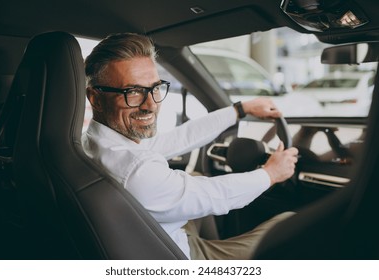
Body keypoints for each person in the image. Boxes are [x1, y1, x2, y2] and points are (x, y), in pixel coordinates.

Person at [82, 33, 299, 259]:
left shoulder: (91, 143)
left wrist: (238, 110)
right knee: (292, 225)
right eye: (133, 92)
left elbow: (176, 139)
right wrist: (271, 174)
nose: (151, 105)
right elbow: (216, 195)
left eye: (155, 88)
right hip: (180, 256)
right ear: (95, 98)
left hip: (157, 239)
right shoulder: (137, 171)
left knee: (194, 174)